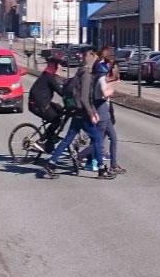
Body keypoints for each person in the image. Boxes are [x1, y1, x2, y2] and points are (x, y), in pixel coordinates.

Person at [45, 47, 116, 179]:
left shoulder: (79, 72)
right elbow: (85, 97)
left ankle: (51, 163)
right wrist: (91, 113)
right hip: (83, 114)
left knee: (67, 139)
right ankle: (101, 169)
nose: (96, 58)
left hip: (76, 112)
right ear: (90, 56)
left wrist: (92, 111)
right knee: (98, 139)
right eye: (94, 55)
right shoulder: (86, 75)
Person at [28, 57, 65, 146]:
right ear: (55, 67)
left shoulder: (48, 75)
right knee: (56, 120)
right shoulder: (49, 77)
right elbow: (60, 91)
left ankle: (50, 136)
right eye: (59, 67)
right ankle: (43, 140)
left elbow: (60, 87)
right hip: (37, 105)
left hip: (41, 102)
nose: (61, 69)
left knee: (60, 110)